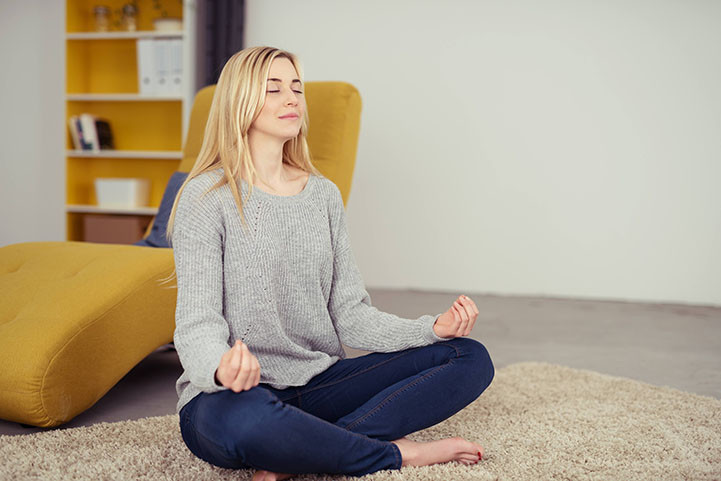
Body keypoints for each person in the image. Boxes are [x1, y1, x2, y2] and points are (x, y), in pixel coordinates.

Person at [165, 46, 495, 481]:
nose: (292, 99)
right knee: (245, 420)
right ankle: (395, 455)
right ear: (239, 101)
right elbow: (196, 322)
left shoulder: (323, 195)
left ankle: (299, 452)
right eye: (275, 89)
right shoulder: (206, 197)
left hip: (319, 385)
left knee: (469, 357)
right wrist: (220, 366)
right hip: (233, 395)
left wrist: (430, 329)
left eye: (297, 89)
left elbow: (350, 315)